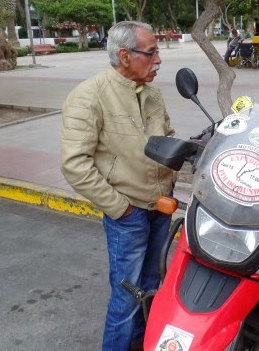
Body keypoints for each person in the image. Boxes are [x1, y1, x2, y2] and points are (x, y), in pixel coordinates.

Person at [60, 20, 176, 351]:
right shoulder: (89, 96)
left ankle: (140, 343)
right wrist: (120, 208)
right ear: (125, 56)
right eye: (151, 52)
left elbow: (165, 136)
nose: (158, 60)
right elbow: (74, 164)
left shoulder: (152, 93)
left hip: (162, 206)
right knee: (126, 298)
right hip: (128, 213)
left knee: (151, 285)